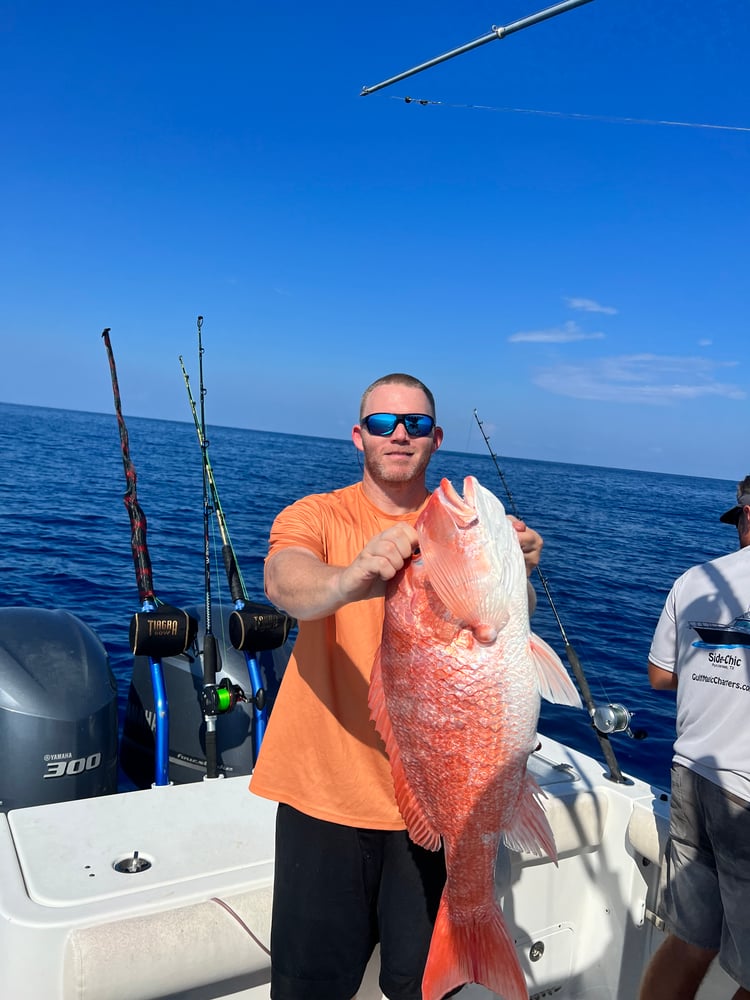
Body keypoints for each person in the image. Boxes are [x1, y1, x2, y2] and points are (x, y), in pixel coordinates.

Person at [249, 373, 544, 1000]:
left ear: (435, 438)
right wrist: (352, 577)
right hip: (321, 801)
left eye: (414, 423)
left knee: (421, 987)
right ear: (359, 437)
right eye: (383, 422)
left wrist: (518, 579)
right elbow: (283, 581)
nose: (399, 433)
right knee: (309, 986)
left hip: (440, 812)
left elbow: (503, 656)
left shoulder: (455, 523)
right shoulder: (318, 514)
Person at [638, 476, 750, 1000]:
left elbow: (660, 676)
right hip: (745, 798)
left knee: (690, 941)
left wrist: (716, 668)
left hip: (691, 778)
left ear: (745, 516)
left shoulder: (693, 580)